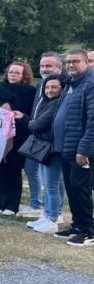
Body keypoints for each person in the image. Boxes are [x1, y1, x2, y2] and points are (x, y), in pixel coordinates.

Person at [52, 49, 94, 247]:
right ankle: (77, 226)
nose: (70, 65)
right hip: (67, 148)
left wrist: (84, 149)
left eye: (75, 61)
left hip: (81, 150)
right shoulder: (70, 84)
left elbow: (93, 121)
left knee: (81, 188)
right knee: (71, 188)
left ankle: (89, 231)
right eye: (68, 62)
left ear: (86, 62)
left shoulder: (90, 84)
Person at [19, 52, 65, 218]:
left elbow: (46, 118)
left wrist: (28, 121)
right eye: (42, 66)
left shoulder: (63, 87)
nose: (45, 69)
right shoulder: (42, 84)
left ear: (59, 68)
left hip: (50, 141)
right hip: (37, 136)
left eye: (49, 66)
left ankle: (55, 213)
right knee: (33, 171)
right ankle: (37, 205)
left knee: (54, 182)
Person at [0, 61, 36, 215]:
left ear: (24, 75)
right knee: (1, 168)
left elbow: (32, 115)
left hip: (19, 136)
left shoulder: (30, 92)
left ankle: (12, 205)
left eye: (17, 73)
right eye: (11, 72)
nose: (13, 75)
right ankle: (0, 203)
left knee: (14, 170)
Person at [26, 75, 65, 233]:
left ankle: (53, 219)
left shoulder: (56, 104)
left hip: (53, 149)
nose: (49, 90)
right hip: (45, 148)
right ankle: (47, 215)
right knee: (47, 184)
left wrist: (28, 122)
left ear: (62, 89)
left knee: (51, 186)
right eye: (47, 87)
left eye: (54, 87)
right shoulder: (47, 102)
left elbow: (37, 124)